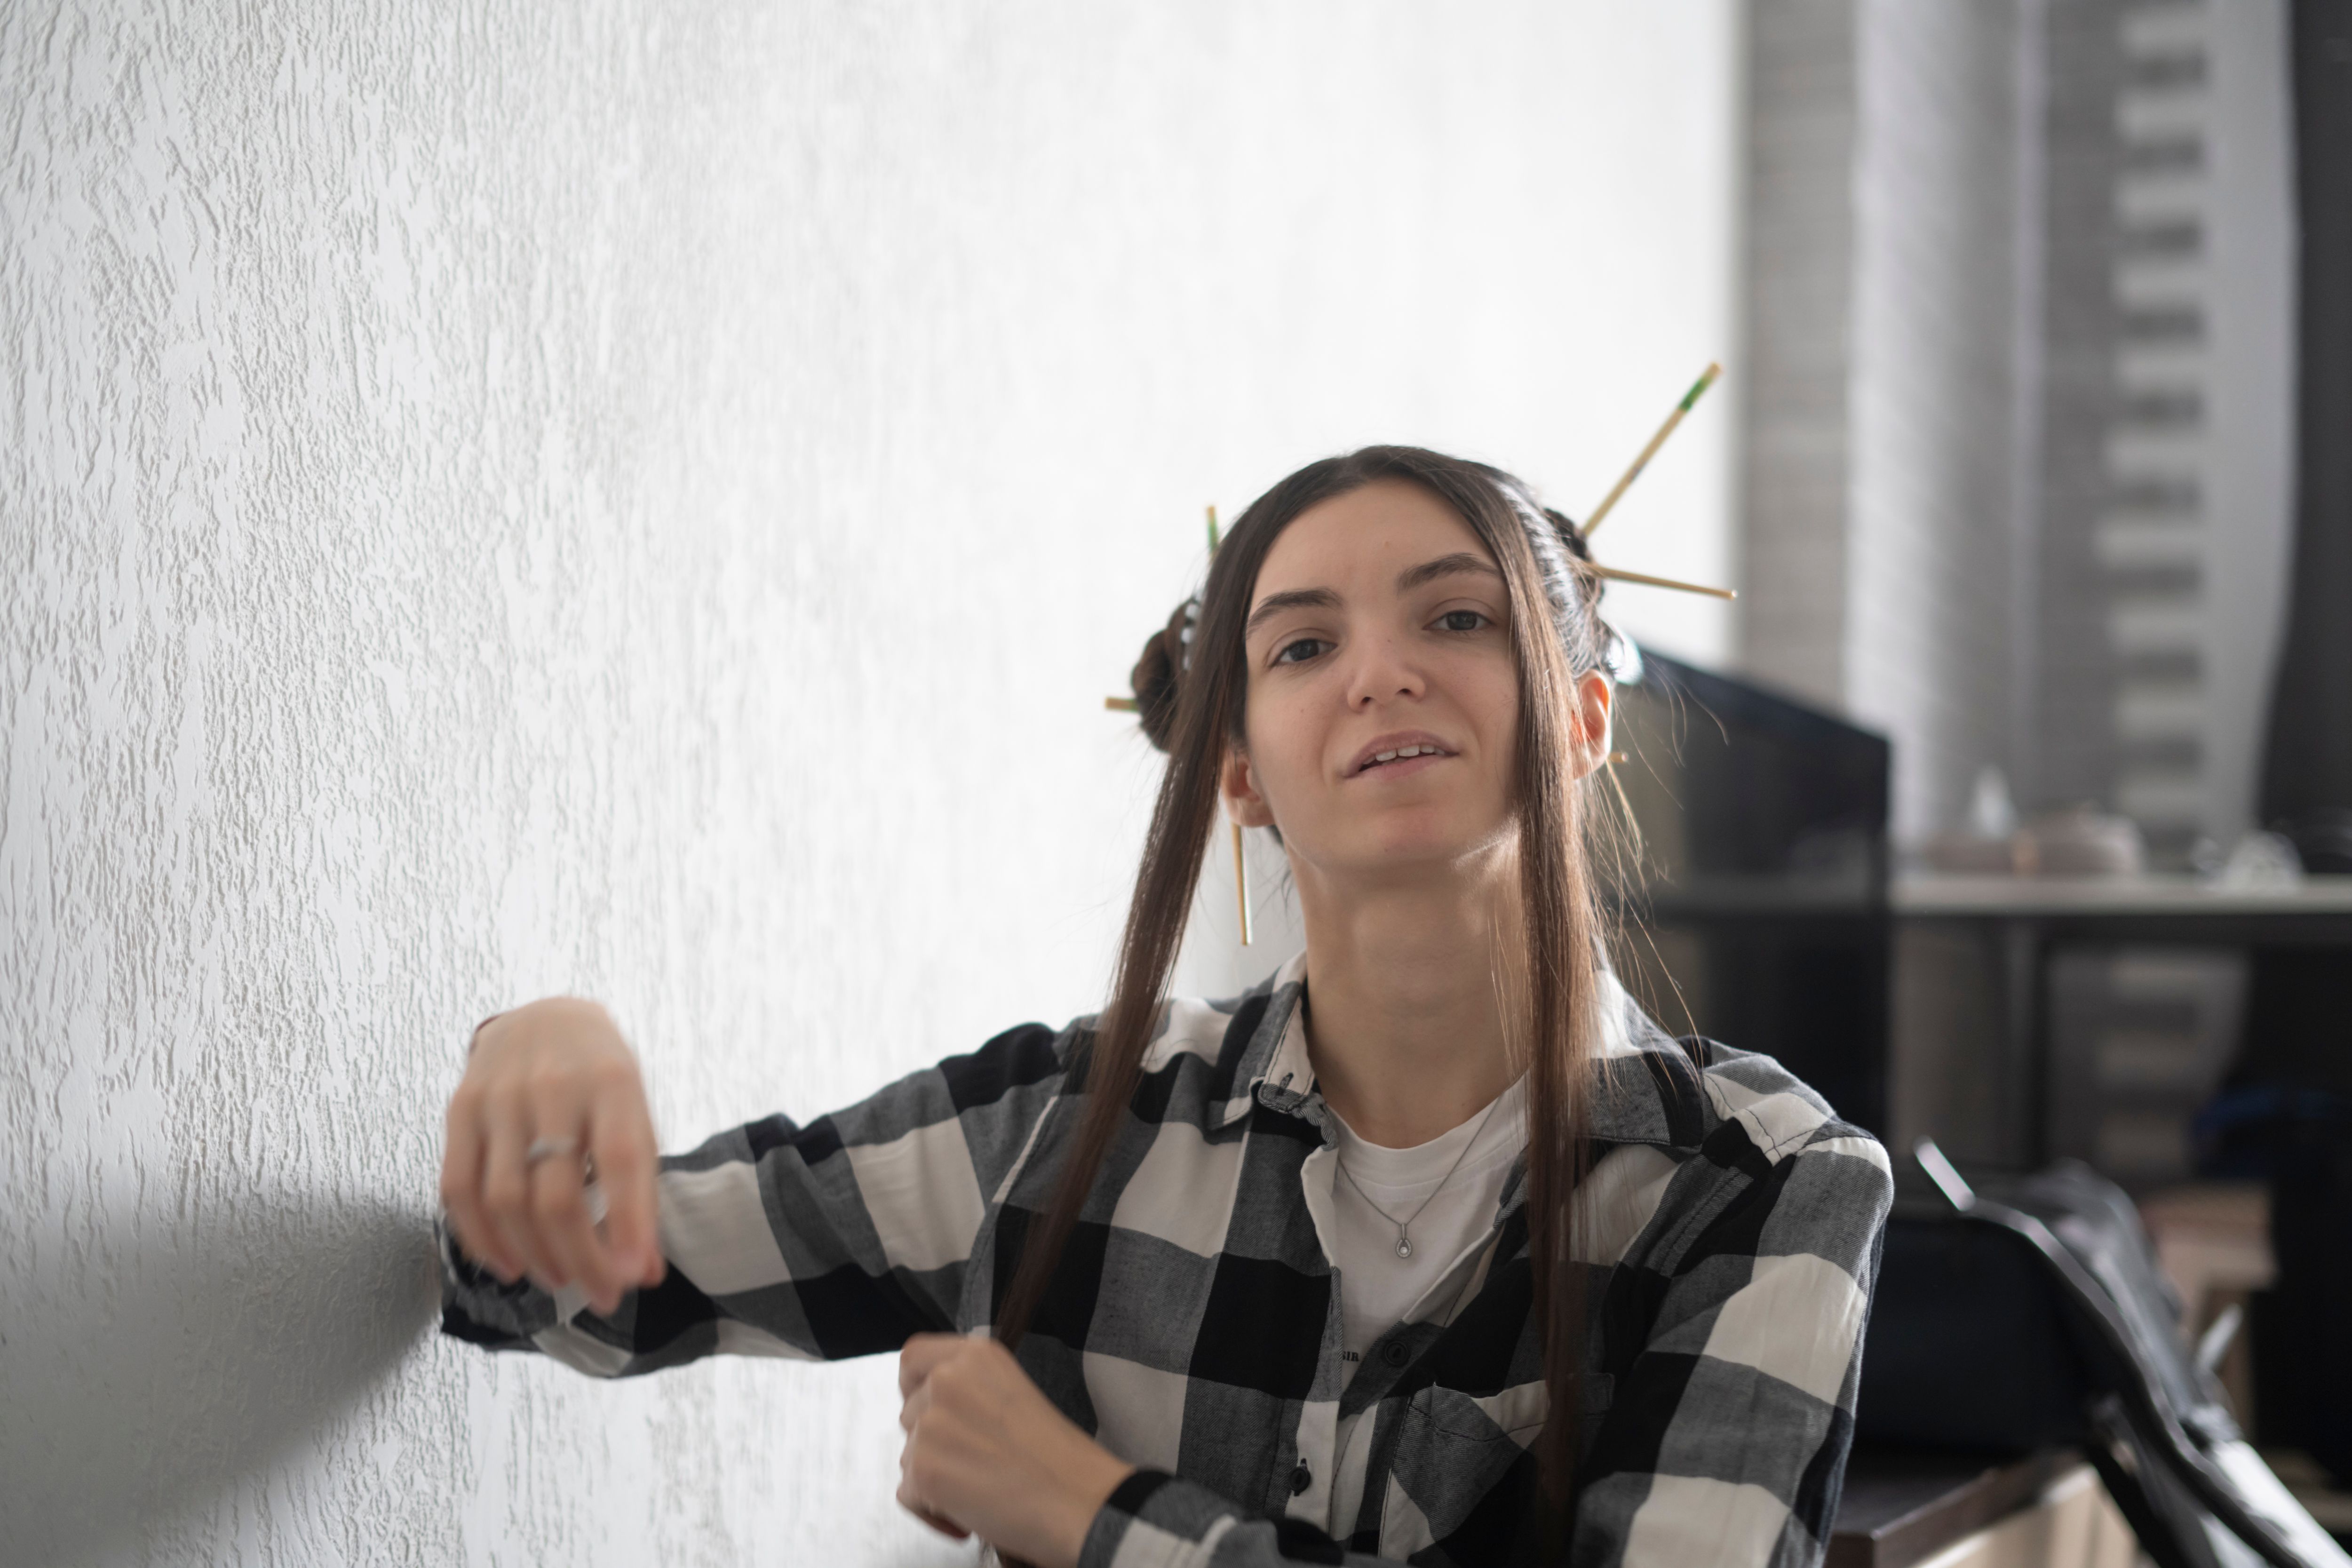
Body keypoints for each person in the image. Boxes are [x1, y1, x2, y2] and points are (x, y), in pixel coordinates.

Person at [437, 446, 1893, 1567]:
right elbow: (567, 1290)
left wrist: (1089, 1515)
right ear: (1240, 773)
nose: (1382, 673)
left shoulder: (1767, 1184)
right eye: (1304, 647)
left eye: (1455, 616)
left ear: (1582, 723)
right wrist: (537, 1049)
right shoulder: (1061, 1127)